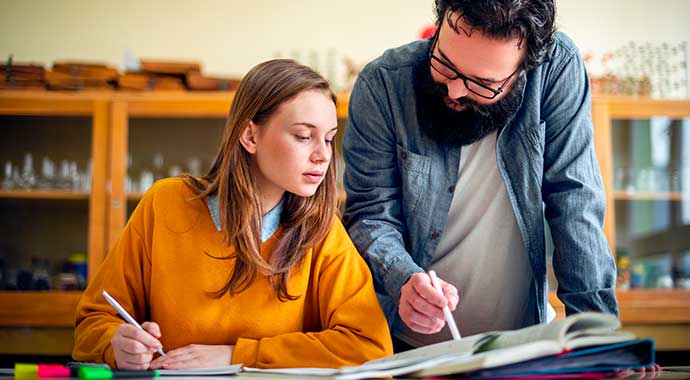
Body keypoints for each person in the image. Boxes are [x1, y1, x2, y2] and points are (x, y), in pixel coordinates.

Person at [73, 59, 393, 369]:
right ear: (250, 136)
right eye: (303, 136)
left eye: (328, 138)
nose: (323, 155)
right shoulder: (165, 203)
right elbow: (92, 325)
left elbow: (369, 347)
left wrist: (237, 355)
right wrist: (116, 344)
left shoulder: (322, 232)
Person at [343, 0, 618, 351]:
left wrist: (598, 344)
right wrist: (403, 278)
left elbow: (576, 201)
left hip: (522, 342)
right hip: (405, 344)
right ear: (440, 23)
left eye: (482, 84)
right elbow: (370, 214)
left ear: (524, 70)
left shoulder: (556, 69)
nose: (455, 91)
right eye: (444, 63)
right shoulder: (383, 85)